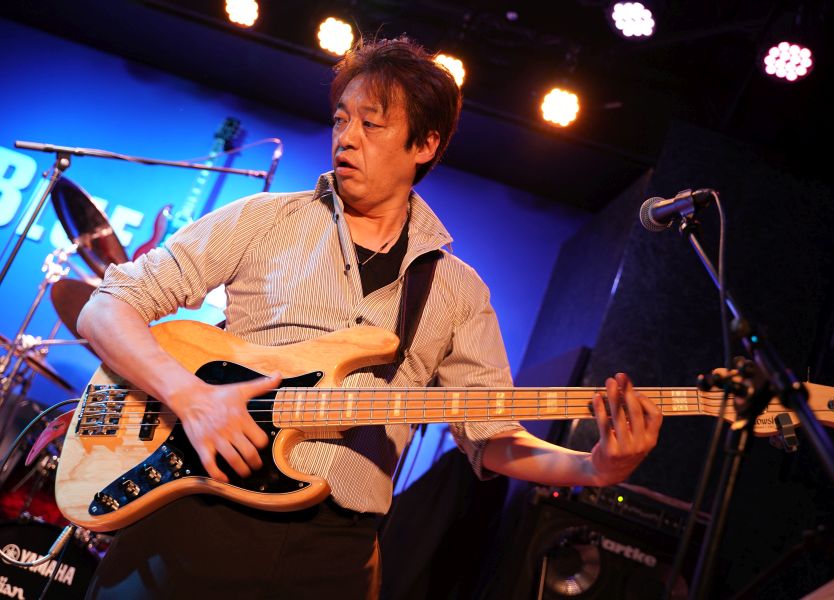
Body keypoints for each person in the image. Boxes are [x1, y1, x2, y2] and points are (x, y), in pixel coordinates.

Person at [77, 36, 662, 599]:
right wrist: (189, 396)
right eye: (341, 119)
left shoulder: (458, 291)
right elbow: (106, 306)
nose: (347, 138)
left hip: (335, 554)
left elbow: (493, 437)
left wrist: (595, 467)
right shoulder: (262, 219)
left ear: (424, 144)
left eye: (372, 123)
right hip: (197, 513)